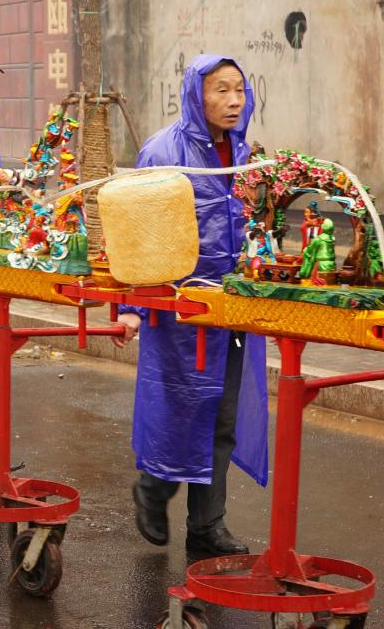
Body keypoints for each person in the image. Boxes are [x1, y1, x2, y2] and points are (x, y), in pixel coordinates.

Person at [112, 55, 269, 558]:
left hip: (231, 308)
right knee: (179, 409)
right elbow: (137, 233)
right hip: (177, 310)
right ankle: (153, 489)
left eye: (240, 91)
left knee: (222, 418)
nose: (233, 101)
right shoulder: (163, 151)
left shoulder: (244, 152)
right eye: (221, 90)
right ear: (196, 94)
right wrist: (131, 307)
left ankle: (207, 526)